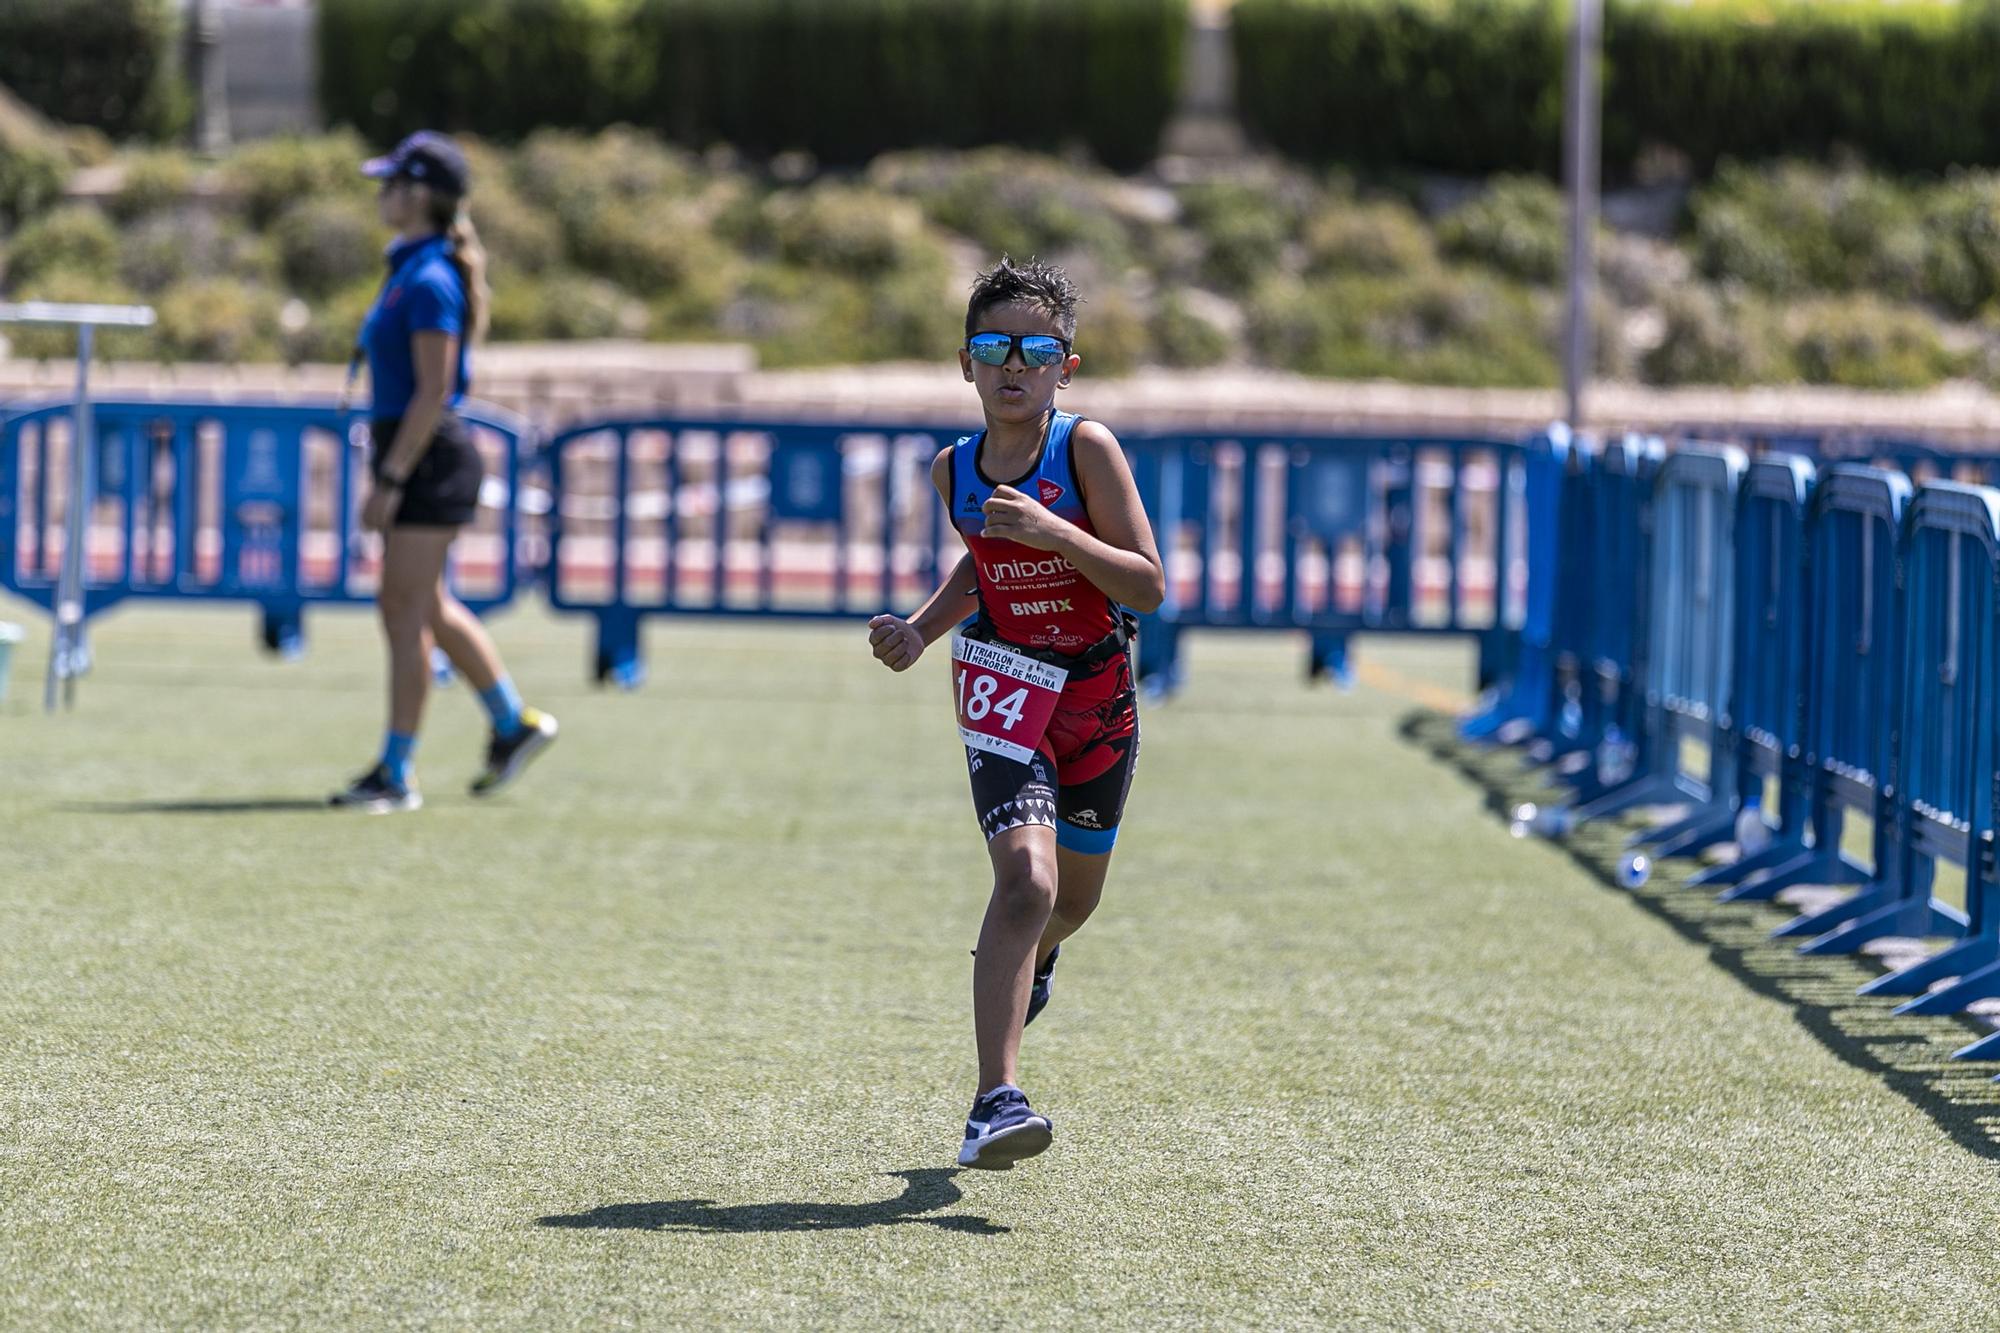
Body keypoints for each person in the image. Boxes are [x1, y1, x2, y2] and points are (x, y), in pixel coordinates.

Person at [867, 257, 1165, 1168]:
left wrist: (1058, 534)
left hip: (1097, 695)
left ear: (1064, 366)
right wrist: (920, 631)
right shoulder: (951, 468)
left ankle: (1032, 962)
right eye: (994, 347)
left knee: (1071, 902)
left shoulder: (1086, 450)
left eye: (1035, 349)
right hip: (1003, 677)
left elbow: (1146, 585)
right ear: (965, 362)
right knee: (1026, 884)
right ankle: (995, 1102)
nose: (1013, 366)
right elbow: (979, 566)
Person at [330, 131, 558, 814]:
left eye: (391, 183)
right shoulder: (413, 266)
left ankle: (396, 772)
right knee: (425, 604)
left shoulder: (428, 278)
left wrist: (391, 479)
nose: (382, 195)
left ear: (420, 192)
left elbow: (434, 391)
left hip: (426, 457)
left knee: (400, 609)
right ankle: (513, 722)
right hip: (415, 450)